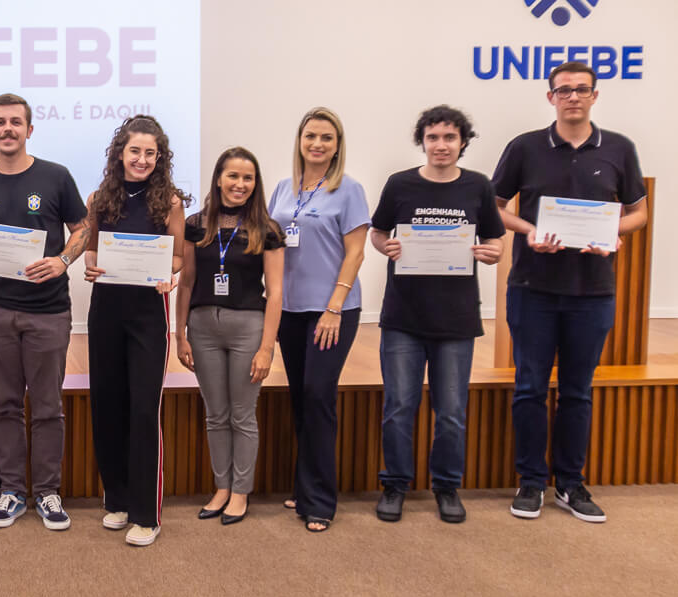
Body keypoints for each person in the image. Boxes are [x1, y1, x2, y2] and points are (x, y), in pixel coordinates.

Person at [492, 61, 647, 523]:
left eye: (582, 90)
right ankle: (530, 482)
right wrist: (529, 231)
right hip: (532, 289)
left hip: (593, 292)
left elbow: (638, 212)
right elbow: (495, 208)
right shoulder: (525, 147)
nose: (573, 97)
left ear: (595, 95)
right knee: (529, 389)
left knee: (578, 392)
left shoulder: (619, 148)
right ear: (550, 97)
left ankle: (571, 484)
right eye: (564, 90)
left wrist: (614, 233)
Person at [0, 93, 89, 531]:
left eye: (16, 122)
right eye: (0, 122)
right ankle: (12, 491)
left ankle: (48, 493)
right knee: (5, 405)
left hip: (48, 313)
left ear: (30, 130)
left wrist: (63, 260)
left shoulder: (56, 177)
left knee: (49, 406)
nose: (8, 129)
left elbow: (83, 229)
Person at [370, 106, 505, 524]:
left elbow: (496, 241)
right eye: (433, 137)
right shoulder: (400, 184)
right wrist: (385, 247)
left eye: (449, 137)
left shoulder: (478, 186)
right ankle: (395, 485)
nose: (441, 145)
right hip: (403, 317)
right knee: (399, 407)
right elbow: (377, 232)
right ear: (422, 141)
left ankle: (447, 486)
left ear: (463, 142)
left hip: (456, 320)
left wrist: (491, 253)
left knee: (450, 411)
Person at [82, 116, 186, 547]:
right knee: (107, 406)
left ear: (159, 158)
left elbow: (177, 257)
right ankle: (118, 501)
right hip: (106, 309)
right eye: (135, 151)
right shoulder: (99, 198)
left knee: (144, 410)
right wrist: (90, 264)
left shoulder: (171, 203)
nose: (142, 159)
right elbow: (90, 250)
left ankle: (147, 513)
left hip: (148, 314)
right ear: (119, 153)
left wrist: (170, 276)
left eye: (150, 153)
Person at [267, 107, 369, 533]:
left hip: (332, 311)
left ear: (337, 145)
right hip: (290, 310)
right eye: (311, 136)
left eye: (327, 138)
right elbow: (270, 244)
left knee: (318, 394)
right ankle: (305, 485)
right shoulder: (282, 189)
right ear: (300, 140)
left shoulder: (349, 189)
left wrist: (333, 307)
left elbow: (356, 252)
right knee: (299, 397)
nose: (317, 144)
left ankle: (321, 501)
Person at [175, 146, 284, 529]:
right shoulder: (195, 224)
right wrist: (180, 335)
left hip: (247, 329)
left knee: (242, 415)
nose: (240, 184)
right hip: (202, 327)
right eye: (233, 176)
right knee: (215, 415)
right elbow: (186, 281)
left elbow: (276, 291)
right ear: (219, 178)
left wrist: (267, 348)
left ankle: (240, 491)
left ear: (255, 184)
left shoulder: (267, 230)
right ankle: (221, 488)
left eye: (248, 178)